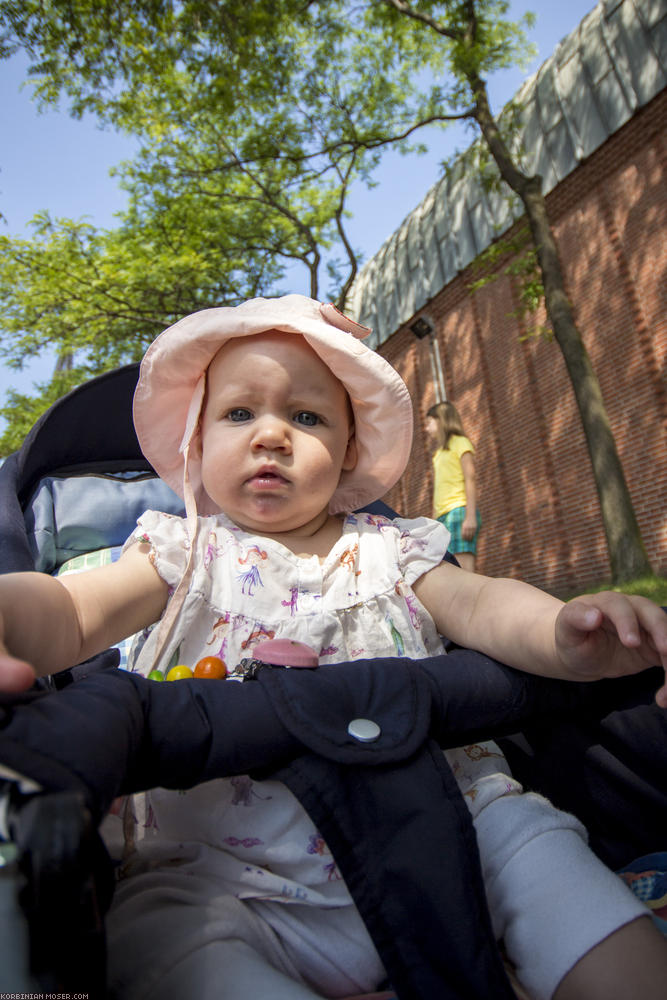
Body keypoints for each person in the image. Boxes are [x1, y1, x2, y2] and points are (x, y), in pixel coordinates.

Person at [0, 294, 666, 1000]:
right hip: (221, 870)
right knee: (160, 937)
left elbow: (480, 601)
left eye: (306, 417)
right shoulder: (180, 551)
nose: (270, 437)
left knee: (545, 861)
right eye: (238, 414)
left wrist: (562, 633)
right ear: (195, 442)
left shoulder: (392, 547)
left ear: (349, 450)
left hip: (450, 822)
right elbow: (72, 613)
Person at [425, 401, 480, 571]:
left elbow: (470, 478)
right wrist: (434, 522)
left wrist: (469, 516)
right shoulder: (438, 454)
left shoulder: (461, 443)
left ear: (441, 420)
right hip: (442, 518)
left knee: (464, 571)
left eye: (429, 423)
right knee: (450, 571)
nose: (427, 429)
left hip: (458, 512)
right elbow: (439, 490)